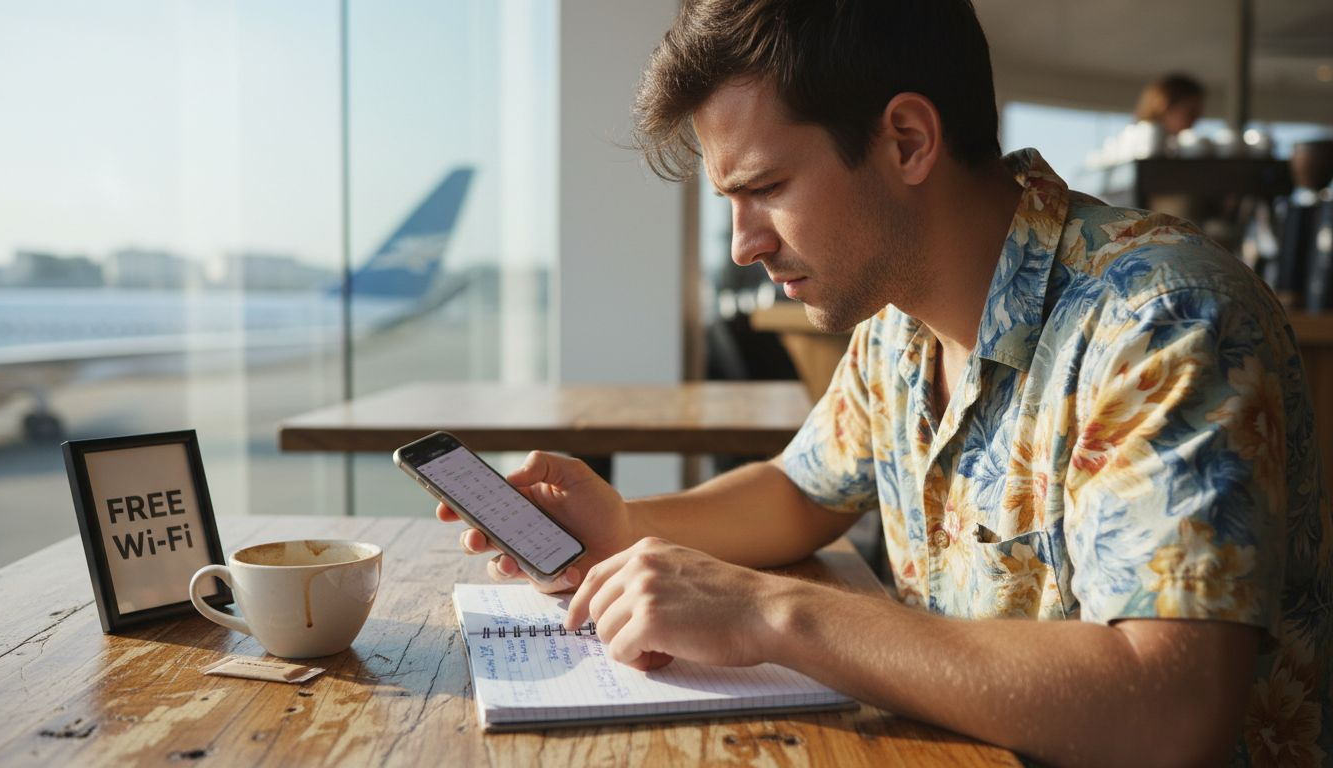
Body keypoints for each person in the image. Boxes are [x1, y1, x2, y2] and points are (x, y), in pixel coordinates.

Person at [440, 1, 1330, 764]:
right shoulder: (898, 324)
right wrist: (628, 528)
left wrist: (773, 614)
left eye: (768, 186)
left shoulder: (1162, 316)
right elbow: (800, 491)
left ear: (907, 140)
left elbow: (1171, 711)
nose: (745, 242)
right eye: (732, 203)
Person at [1135, 72, 1205, 137]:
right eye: (1191, 112)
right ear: (1165, 106)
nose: (1197, 118)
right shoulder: (1142, 139)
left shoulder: (1172, 145)